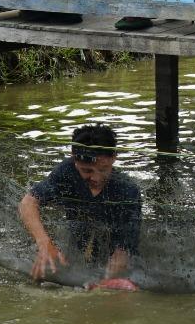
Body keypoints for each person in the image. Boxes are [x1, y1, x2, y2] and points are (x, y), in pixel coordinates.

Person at [17, 123, 141, 290]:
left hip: (112, 236)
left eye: (103, 169)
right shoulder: (67, 172)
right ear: (75, 161)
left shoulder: (127, 190)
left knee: (119, 272)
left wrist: (108, 278)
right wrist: (44, 242)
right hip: (78, 234)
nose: (96, 177)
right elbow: (28, 202)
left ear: (113, 158)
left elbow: (124, 250)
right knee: (42, 277)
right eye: (87, 171)